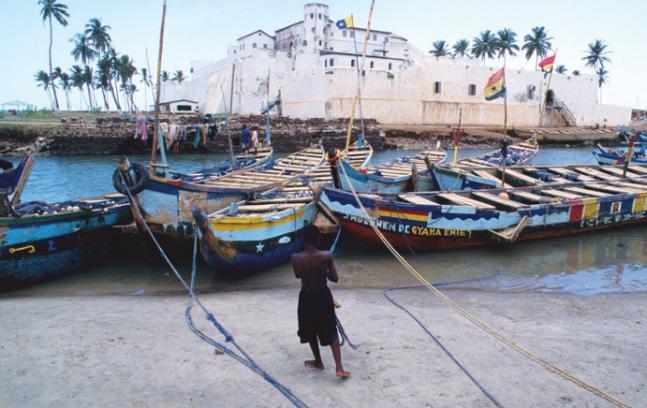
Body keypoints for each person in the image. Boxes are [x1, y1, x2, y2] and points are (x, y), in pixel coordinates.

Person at [291, 224, 350, 379]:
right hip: (323, 295)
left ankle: (318, 361)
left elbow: (298, 275)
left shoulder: (296, 258)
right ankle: (339, 367)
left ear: (303, 240)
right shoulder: (326, 256)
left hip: (306, 296)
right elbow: (335, 278)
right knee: (330, 329)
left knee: (310, 329)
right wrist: (324, 271)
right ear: (318, 239)